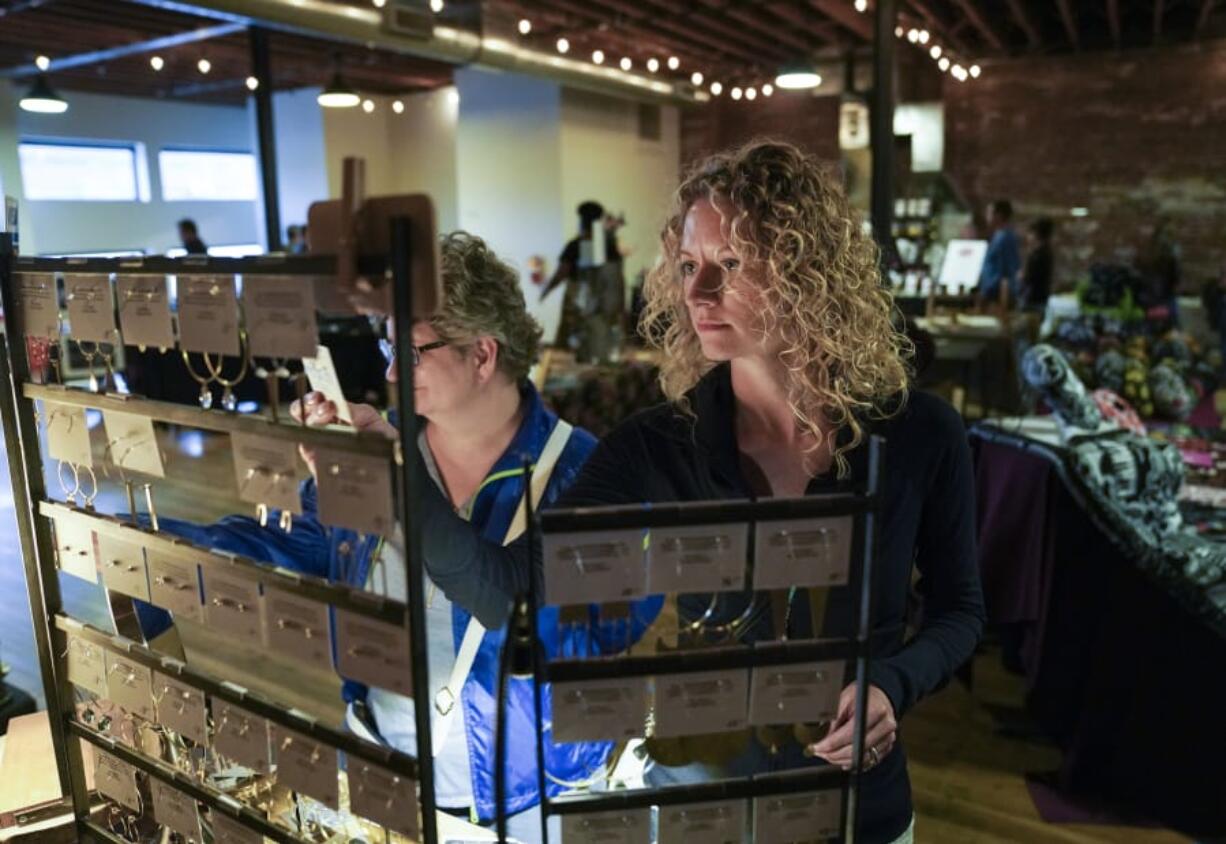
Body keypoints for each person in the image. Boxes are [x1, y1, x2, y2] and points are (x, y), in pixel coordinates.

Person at [419, 140, 984, 844]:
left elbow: (960, 611)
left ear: (806, 270)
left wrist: (892, 686)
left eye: (731, 264)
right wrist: (394, 472)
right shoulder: (656, 446)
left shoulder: (919, 433)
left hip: (856, 811)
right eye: (688, 266)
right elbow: (509, 591)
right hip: (704, 810)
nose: (697, 292)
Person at [138, 233, 652, 842]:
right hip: (387, 782)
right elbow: (305, 551)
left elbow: (605, 627)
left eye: (409, 351)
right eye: (387, 345)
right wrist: (152, 543)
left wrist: (400, 482)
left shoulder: (585, 474)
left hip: (543, 803)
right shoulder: (387, 448)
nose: (387, 370)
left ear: (482, 355)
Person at [541, 200, 626, 363]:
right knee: (597, 346)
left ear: (581, 221)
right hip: (602, 305)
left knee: (582, 346)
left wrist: (546, 291)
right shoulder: (607, 246)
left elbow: (562, 273)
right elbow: (616, 279)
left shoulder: (579, 245)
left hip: (582, 304)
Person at [978, 199, 1021, 306]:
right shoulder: (998, 236)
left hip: (996, 292)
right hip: (990, 288)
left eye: (990, 213)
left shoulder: (1005, 238)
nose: (987, 216)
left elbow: (1008, 268)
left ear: (999, 215)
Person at [1021, 217, 1055, 311]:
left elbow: (1028, 277)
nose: (1027, 236)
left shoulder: (1038, 255)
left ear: (1036, 234)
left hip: (1032, 300)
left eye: (1029, 233)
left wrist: (1021, 275)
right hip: (1040, 298)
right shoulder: (1046, 252)